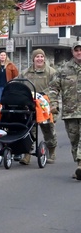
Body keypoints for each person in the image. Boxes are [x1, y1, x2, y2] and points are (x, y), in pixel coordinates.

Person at [48, 40, 81, 180]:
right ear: (72, 52)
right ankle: (79, 165)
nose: (79, 52)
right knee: (74, 140)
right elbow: (53, 88)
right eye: (77, 50)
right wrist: (53, 104)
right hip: (70, 112)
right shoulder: (63, 69)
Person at [18, 48, 57, 163]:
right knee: (29, 130)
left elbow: (55, 87)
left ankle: (52, 151)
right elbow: (18, 83)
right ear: (33, 59)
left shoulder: (51, 72)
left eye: (41, 57)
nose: (39, 59)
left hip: (45, 105)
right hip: (29, 106)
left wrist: (43, 95)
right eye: (37, 57)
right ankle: (27, 154)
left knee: (48, 129)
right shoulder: (25, 72)